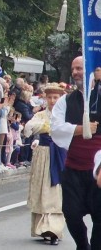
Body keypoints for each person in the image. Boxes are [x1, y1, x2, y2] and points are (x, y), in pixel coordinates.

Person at [51, 56, 101, 250]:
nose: (75, 73)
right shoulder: (66, 100)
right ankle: (82, 245)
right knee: (70, 213)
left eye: (79, 68)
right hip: (74, 169)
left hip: (98, 171)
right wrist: (81, 129)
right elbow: (55, 128)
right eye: (73, 69)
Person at [24, 82, 67, 245]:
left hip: (60, 154)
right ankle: (42, 227)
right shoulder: (41, 115)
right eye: (49, 97)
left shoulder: (66, 115)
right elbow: (28, 128)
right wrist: (44, 127)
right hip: (43, 155)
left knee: (55, 192)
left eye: (55, 97)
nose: (52, 100)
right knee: (42, 189)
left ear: (60, 98)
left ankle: (54, 229)